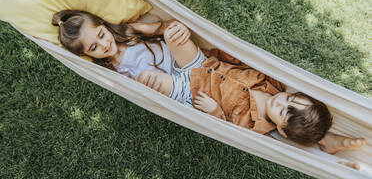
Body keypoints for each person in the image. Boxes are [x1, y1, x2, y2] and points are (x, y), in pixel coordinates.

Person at [52, 9, 366, 169]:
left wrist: (215, 112)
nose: (105, 44)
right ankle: (327, 139)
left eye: (102, 35)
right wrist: (178, 33)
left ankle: (325, 142)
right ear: (87, 55)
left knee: (167, 60)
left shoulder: (258, 126)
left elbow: (230, 128)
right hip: (194, 72)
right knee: (176, 49)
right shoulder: (273, 85)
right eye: (95, 47)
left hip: (191, 87)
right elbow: (243, 66)